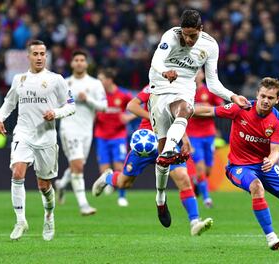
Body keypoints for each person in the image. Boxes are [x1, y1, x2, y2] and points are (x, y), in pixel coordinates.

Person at [195, 77, 279, 250]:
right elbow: (209, 111)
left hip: (265, 166)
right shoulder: (240, 108)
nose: (265, 100)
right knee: (257, 187)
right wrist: (184, 111)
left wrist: (271, 161)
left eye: (270, 98)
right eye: (263, 96)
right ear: (257, 94)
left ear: (277, 100)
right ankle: (271, 237)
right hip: (238, 166)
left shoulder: (277, 120)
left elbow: (275, 151)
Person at [147, 9, 251, 224]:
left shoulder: (210, 46)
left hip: (184, 88)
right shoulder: (170, 36)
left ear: (201, 30)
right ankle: (160, 198)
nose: (188, 39)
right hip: (159, 88)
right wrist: (165, 71)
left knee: (185, 109)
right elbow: (156, 61)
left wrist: (233, 97)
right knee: (163, 159)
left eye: (192, 35)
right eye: (185, 34)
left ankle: (168, 151)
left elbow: (213, 83)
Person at [92, 85, 213, 235]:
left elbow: (179, 117)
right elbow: (131, 106)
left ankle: (195, 222)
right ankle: (108, 177)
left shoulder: (180, 89)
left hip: (168, 141)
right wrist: (154, 118)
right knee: (124, 182)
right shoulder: (153, 87)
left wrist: (185, 137)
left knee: (183, 178)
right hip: (146, 142)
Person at [0, 40, 75, 241]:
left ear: (46, 56)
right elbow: (9, 103)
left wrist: (55, 113)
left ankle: (49, 216)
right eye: (35, 54)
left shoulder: (56, 80)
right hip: (23, 133)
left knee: (44, 186)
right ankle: (20, 221)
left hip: (46, 137)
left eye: (42, 54)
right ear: (28, 56)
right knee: (17, 171)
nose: (39, 57)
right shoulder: (19, 79)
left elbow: (71, 106)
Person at [55, 50, 107, 215]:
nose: (79, 62)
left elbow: (104, 107)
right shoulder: (64, 83)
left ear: (86, 63)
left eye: (82, 60)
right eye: (76, 60)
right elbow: (55, 105)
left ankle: (62, 184)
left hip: (86, 130)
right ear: (72, 63)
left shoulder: (95, 84)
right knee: (77, 165)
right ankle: (84, 205)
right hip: (69, 128)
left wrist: (88, 99)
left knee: (78, 164)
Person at [94, 69, 133, 207]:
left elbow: (139, 105)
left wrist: (128, 116)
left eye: (101, 79)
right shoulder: (97, 95)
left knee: (119, 166)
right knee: (104, 169)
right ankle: (108, 182)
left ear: (109, 80)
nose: (99, 82)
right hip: (101, 136)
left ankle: (122, 196)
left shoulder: (123, 94)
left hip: (118, 136)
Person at [186, 69, 223, 208]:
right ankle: (207, 199)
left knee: (207, 170)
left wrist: (208, 108)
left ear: (202, 75)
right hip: (193, 135)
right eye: (194, 72)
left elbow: (221, 108)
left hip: (209, 134)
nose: (196, 75)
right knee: (200, 167)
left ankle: (197, 182)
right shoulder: (186, 92)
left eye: (199, 72)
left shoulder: (209, 91)